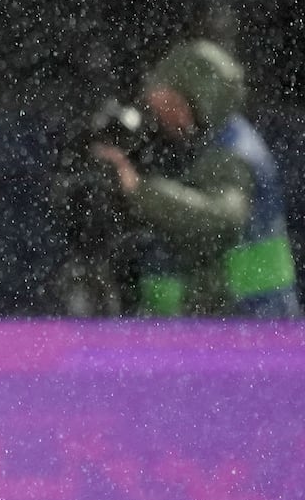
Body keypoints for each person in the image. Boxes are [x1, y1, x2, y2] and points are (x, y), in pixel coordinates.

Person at [88, 38, 299, 317]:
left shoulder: (232, 154)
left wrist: (140, 191)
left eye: (176, 105)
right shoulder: (196, 143)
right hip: (222, 323)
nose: (168, 116)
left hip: (249, 325)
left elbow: (224, 219)